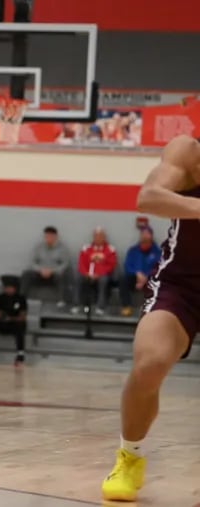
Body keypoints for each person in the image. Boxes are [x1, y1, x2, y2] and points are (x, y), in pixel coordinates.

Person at [101, 135, 200, 501]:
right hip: (182, 285)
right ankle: (130, 455)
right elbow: (149, 198)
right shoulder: (189, 152)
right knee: (150, 363)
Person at [71, 227, 117, 316]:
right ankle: (76, 305)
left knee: (103, 280)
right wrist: (86, 273)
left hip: (101, 275)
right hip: (87, 274)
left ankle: (101, 307)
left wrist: (98, 274)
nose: (98, 238)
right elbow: (81, 264)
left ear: (104, 237)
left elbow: (111, 265)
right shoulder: (86, 248)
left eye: (100, 236)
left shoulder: (110, 249)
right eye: (96, 236)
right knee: (78, 277)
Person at [20, 226, 70, 307]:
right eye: (46, 236)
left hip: (54, 274)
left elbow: (65, 263)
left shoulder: (62, 249)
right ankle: (22, 298)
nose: (48, 238)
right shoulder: (39, 247)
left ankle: (61, 300)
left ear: (56, 237)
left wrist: (52, 271)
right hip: (40, 273)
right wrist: (40, 270)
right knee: (26, 274)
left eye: (51, 236)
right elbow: (32, 261)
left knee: (62, 276)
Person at [119, 226, 161, 317]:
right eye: (143, 234)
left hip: (150, 279)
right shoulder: (133, 250)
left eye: (147, 234)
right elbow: (127, 265)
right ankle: (126, 306)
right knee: (123, 280)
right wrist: (137, 274)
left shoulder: (157, 252)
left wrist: (146, 277)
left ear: (151, 236)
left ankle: (152, 310)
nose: (145, 236)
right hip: (135, 277)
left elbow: (159, 268)